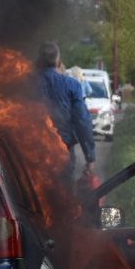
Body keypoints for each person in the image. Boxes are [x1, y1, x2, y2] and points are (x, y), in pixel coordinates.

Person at [36, 42, 96, 188]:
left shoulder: (25, 83)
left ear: (38, 62)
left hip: (31, 152)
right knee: (62, 196)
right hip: (63, 151)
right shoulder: (72, 85)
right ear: (59, 61)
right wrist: (90, 157)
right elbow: (83, 122)